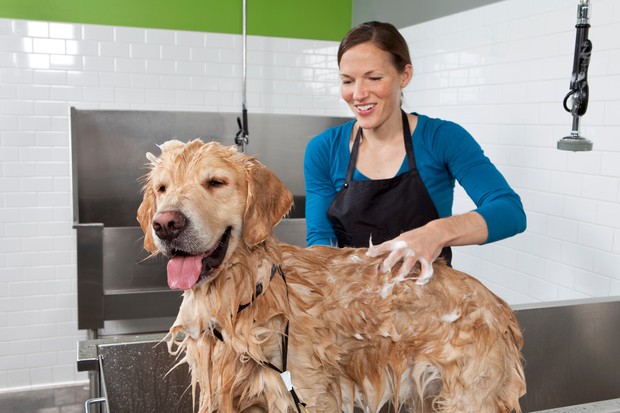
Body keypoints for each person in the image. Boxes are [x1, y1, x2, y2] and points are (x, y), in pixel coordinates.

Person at [303, 21, 526, 279]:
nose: (358, 93)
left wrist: (435, 233)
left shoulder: (442, 138)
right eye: (347, 81)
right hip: (353, 305)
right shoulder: (323, 149)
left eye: (374, 78)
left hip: (429, 306)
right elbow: (320, 240)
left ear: (405, 75)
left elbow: (510, 212)